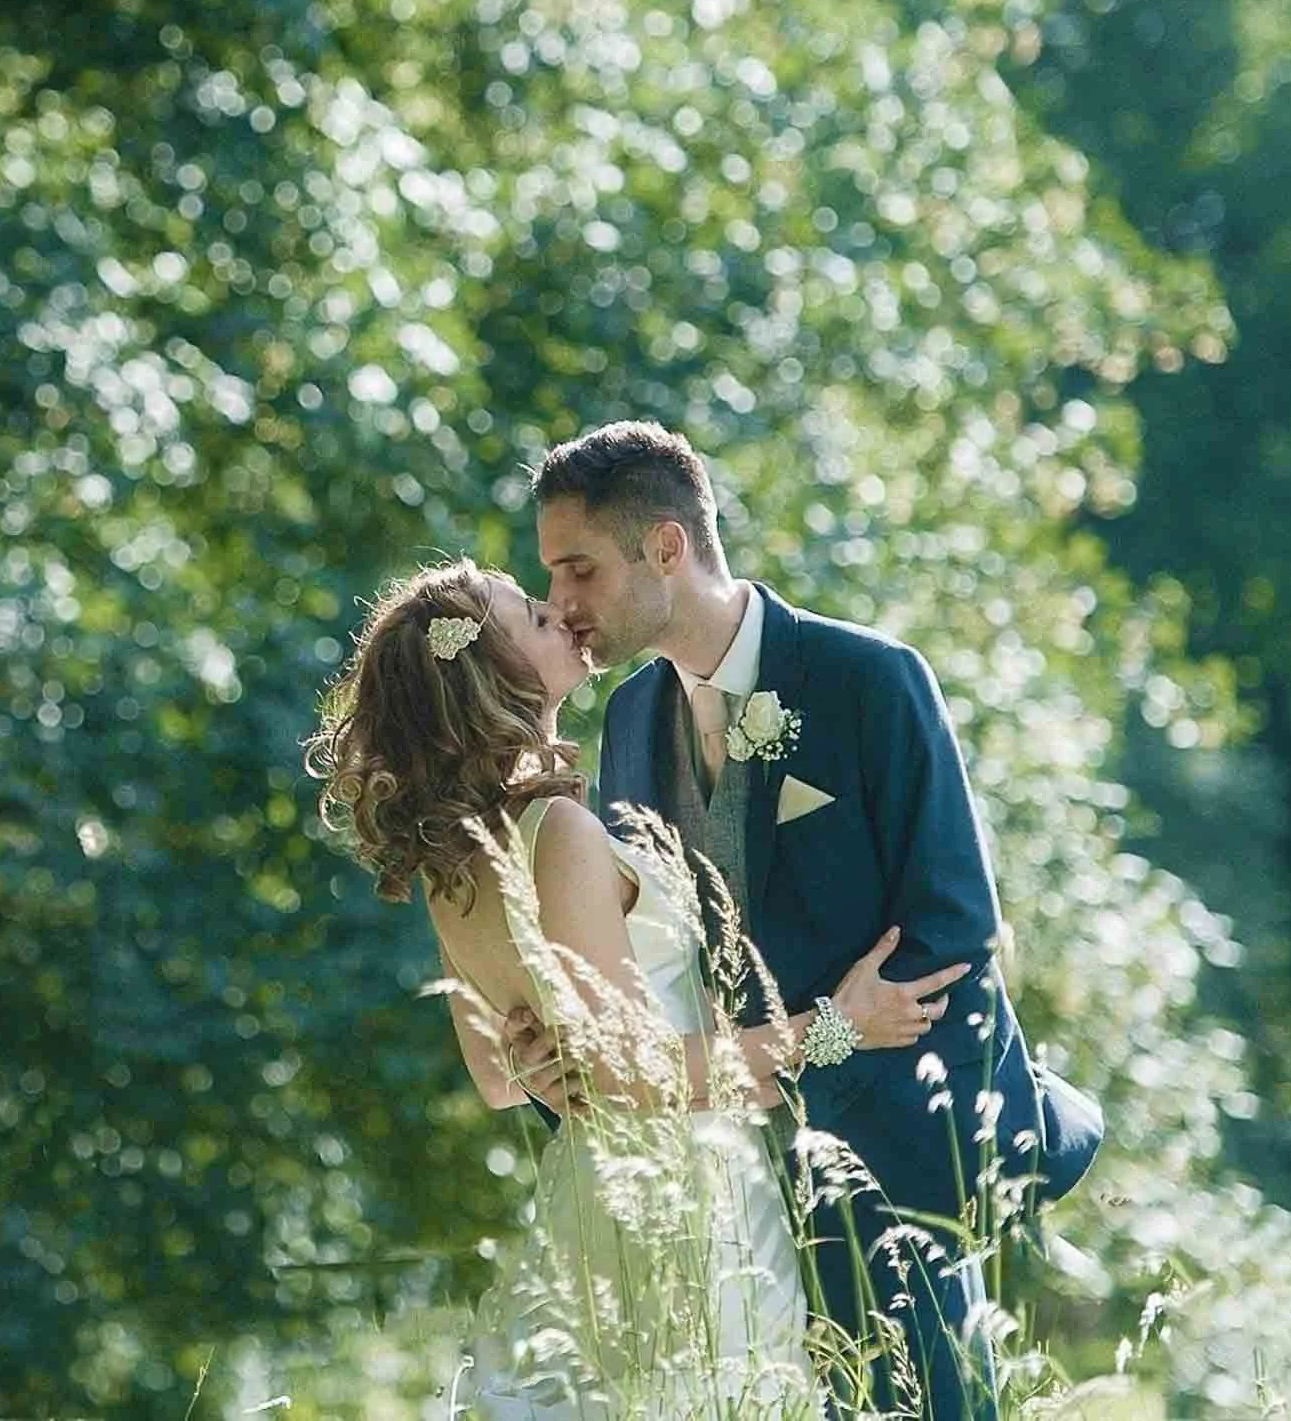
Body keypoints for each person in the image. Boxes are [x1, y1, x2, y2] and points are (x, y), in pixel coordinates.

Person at [527, 420, 1105, 1418]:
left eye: (577, 569)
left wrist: (851, 1132)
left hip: (887, 1171)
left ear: (664, 546)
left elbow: (950, 937)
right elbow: (646, 963)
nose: (559, 603)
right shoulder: (627, 719)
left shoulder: (869, 678)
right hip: (727, 1191)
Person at [307, 559, 966, 1418]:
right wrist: (837, 1025)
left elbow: (500, 1079)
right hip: (685, 1196)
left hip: (595, 1194)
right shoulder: (562, 833)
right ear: (494, 676)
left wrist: (554, 1056)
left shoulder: (453, 867)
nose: (563, 617)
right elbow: (640, 1075)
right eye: (535, 620)